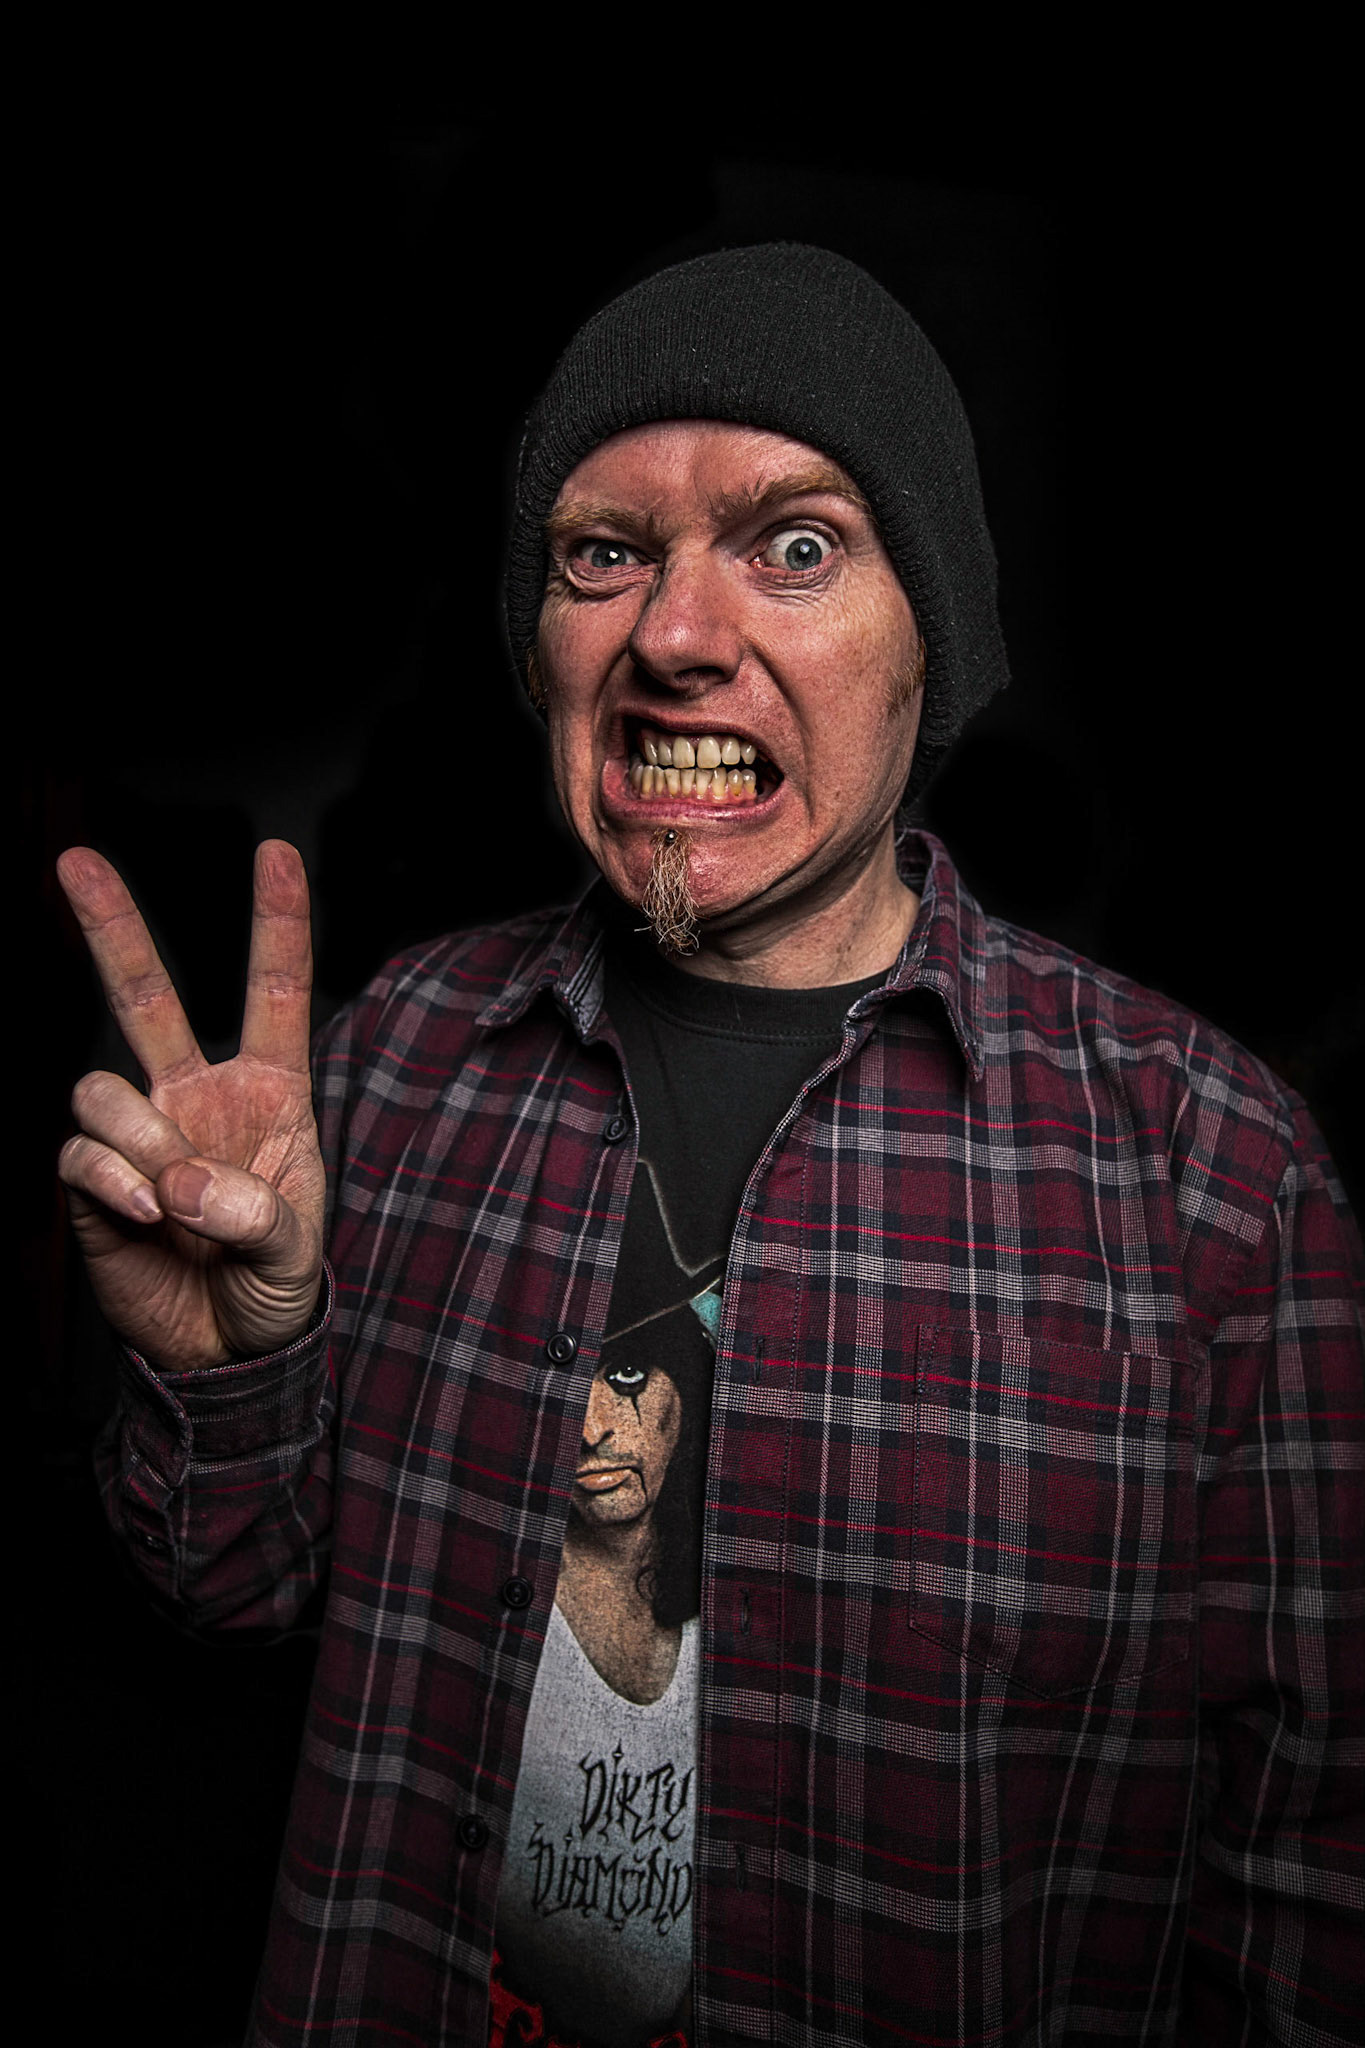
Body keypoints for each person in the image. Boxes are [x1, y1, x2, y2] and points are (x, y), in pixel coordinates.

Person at [57, 246, 1362, 2047]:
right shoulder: (398, 1064)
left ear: (931, 639)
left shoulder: (1210, 1174)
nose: (672, 635)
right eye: (604, 554)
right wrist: (230, 1374)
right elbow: (230, 1600)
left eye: (795, 546)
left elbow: (1310, 1869)